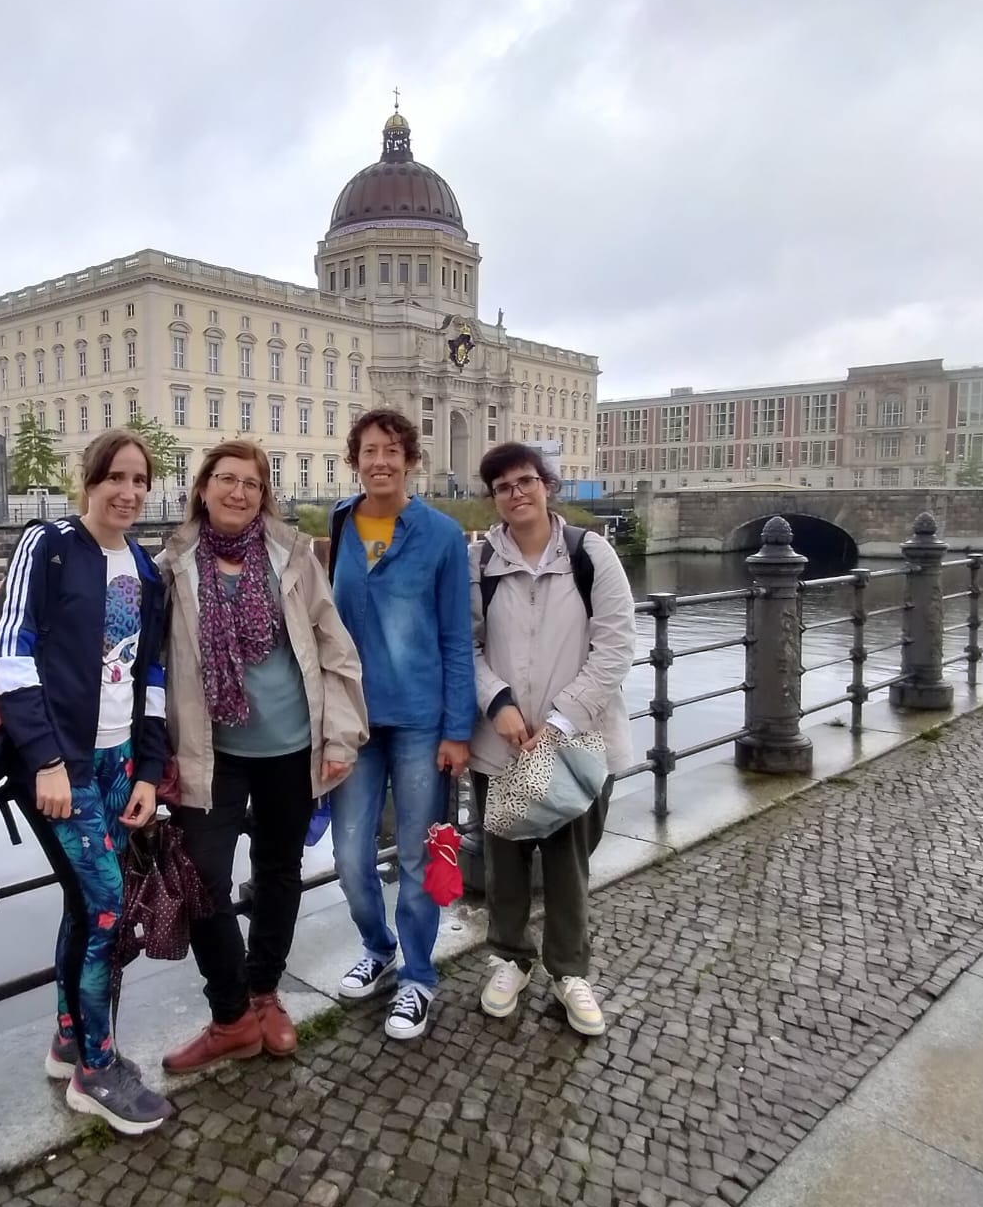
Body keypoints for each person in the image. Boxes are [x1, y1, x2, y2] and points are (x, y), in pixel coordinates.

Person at [156, 441, 368, 1073]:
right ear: (203, 488)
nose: (238, 492)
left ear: (263, 495)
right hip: (210, 751)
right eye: (226, 479)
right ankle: (230, 1015)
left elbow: (335, 650)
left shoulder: (292, 557)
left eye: (251, 483)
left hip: (291, 747)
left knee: (278, 872)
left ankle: (264, 991)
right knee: (202, 879)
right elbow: (143, 661)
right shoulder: (172, 566)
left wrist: (340, 736)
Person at [0, 428, 173, 1135]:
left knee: (85, 898)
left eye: (139, 480)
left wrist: (149, 771)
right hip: (61, 764)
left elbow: (150, 674)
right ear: (89, 481)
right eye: (115, 477)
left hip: (117, 760)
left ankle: (70, 1038)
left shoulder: (145, 569)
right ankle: (95, 1071)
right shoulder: (50, 546)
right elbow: (11, 654)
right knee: (106, 905)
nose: (128, 492)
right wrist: (45, 760)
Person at [468, 441, 637, 1037]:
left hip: (575, 743)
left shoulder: (591, 554)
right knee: (503, 861)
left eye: (526, 481)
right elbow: (464, 645)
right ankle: (509, 957)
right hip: (502, 742)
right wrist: (497, 702)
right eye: (503, 487)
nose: (516, 494)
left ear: (547, 485)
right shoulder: (479, 562)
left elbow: (616, 644)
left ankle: (569, 969)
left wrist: (562, 719)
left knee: (569, 864)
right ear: (494, 498)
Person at [326, 408, 477, 1040]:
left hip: (419, 719)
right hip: (354, 720)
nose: (380, 461)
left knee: (417, 855)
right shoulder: (340, 521)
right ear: (355, 460)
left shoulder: (441, 535)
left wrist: (457, 730)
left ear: (411, 460)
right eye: (369, 450)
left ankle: (418, 976)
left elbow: (457, 637)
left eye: (392, 450)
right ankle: (378, 946)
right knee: (349, 856)